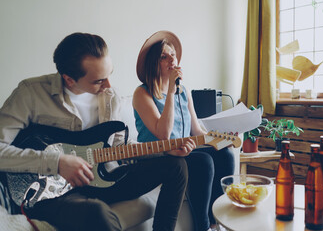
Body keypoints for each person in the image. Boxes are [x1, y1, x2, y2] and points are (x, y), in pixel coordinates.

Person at [0, 32, 197, 231]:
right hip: (51, 193)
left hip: (103, 179)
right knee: (97, 213)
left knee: (176, 165)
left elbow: (121, 148)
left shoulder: (110, 96)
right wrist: (57, 163)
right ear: (69, 79)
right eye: (98, 81)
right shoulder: (31, 94)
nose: (109, 86)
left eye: (109, 74)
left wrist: (165, 150)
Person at [133, 30, 235, 231]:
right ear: (154, 63)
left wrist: (221, 139)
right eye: (164, 56)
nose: (172, 59)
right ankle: (202, 227)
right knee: (203, 162)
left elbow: (196, 131)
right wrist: (171, 90)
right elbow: (163, 133)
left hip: (182, 151)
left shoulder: (184, 92)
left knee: (225, 155)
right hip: (156, 155)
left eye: (173, 54)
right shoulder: (142, 93)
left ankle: (216, 222)